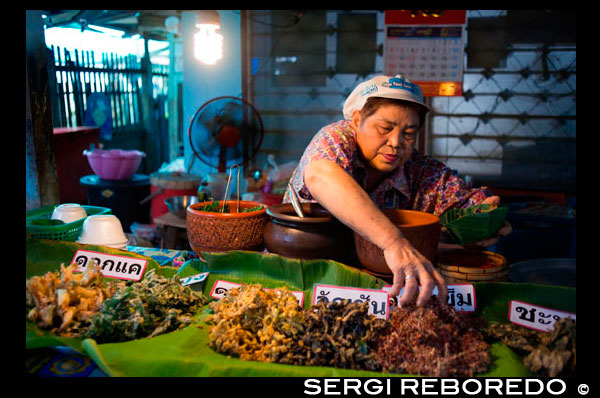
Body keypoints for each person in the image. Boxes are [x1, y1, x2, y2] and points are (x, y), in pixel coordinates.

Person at [283, 75, 511, 307]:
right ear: (357, 119)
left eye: (409, 133)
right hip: (305, 277)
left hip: (382, 288)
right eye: (385, 128)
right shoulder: (336, 138)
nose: (396, 142)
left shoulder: (421, 171)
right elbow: (320, 175)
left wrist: (486, 218)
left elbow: (468, 204)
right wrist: (394, 243)